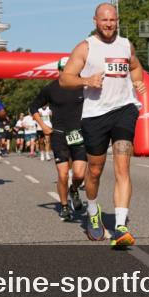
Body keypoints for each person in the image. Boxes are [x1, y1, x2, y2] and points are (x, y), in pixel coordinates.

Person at [60, 3, 146, 246]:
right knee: (95, 170)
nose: (109, 24)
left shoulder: (126, 45)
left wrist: (137, 82)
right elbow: (64, 78)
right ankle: (93, 211)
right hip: (95, 115)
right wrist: (86, 79)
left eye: (113, 20)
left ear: (117, 20)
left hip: (124, 110)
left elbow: (136, 67)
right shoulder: (86, 47)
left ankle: (120, 226)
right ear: (95, 21)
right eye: (104, 20)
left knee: (122, 165)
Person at [31, 58, 88, 222]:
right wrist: (42, 125)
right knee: (62, 174)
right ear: (59, 71)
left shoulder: (83, 86)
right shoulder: (50, 89)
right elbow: (33, 107)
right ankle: (64, 207)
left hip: (79, 134)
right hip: (59, 135)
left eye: (71, 69)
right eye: (64, 69)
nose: (67, 73)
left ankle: (74, 189)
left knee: (78, 174)